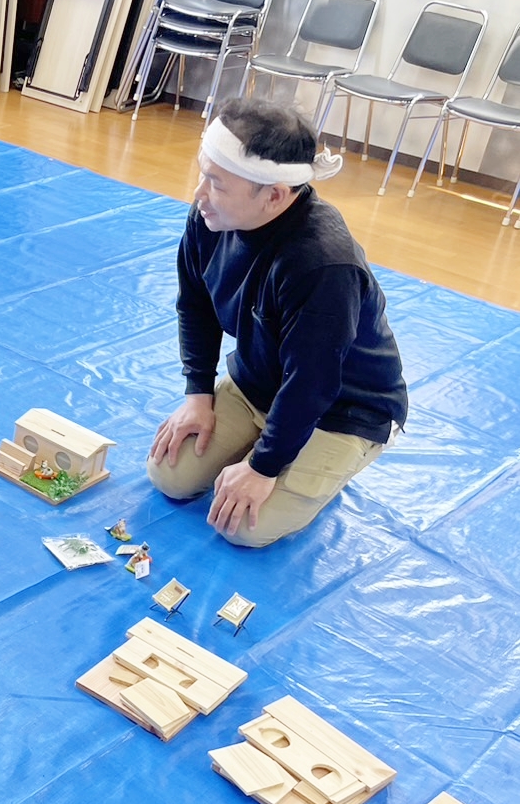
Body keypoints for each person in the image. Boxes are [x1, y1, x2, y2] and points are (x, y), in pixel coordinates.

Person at [147, 98, 408, 547]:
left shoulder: (323, 264)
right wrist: (198, 393)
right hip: (261, 383)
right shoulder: (212, 215)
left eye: (216, 183)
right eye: (202, 174)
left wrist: (262, 467)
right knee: (169, 475)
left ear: (273, 195)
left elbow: (312, 383)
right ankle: (275, 449)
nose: (199, 194)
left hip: (342, 408)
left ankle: (332, 461)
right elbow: (195, 303)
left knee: (246, 527)